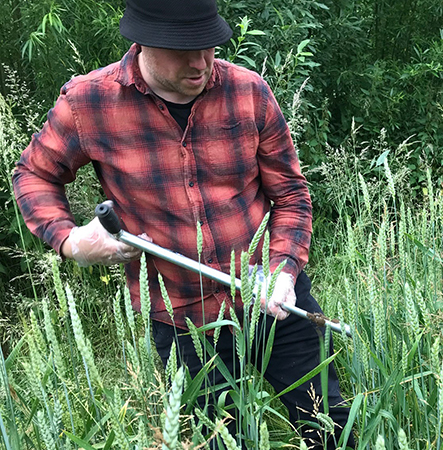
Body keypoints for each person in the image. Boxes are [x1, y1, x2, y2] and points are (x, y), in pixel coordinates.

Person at [12, 0, 354, 448]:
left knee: (330, 425)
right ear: (143, 43)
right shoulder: (88, 102)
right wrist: (71, 241)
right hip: (180, 319)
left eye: (208, 45)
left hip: (274, 299)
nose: (200, 62)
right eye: (182, 49)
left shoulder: (248, 91)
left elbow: (291, 194)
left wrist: (284, 270)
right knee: (219, 439)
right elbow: (33, 175)